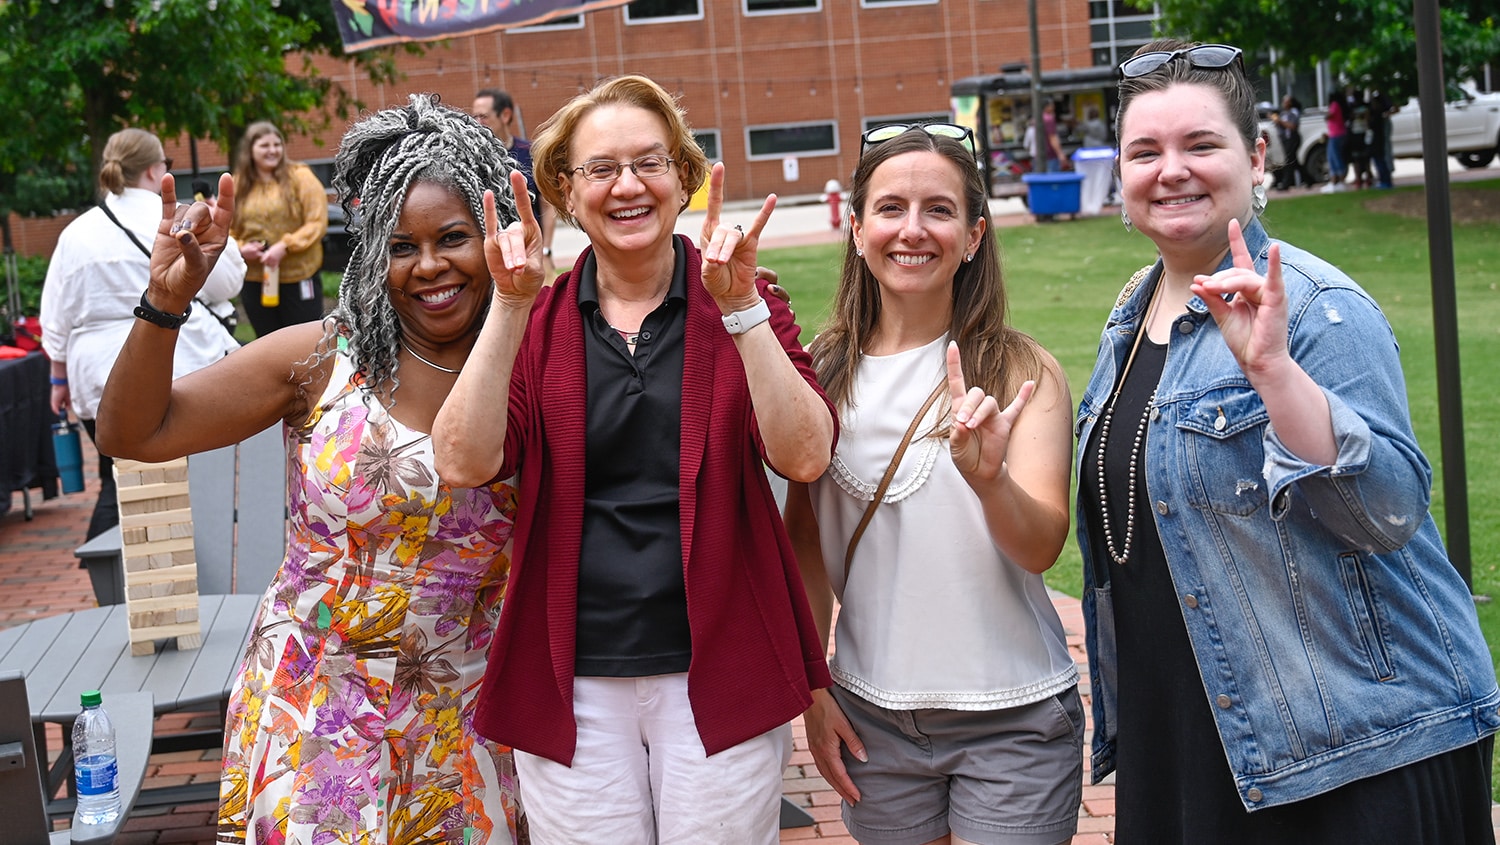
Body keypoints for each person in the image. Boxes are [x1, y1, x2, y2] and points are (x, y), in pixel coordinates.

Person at [1081, 39, 1500, 843]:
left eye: (1201, 144)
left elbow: (1385, 513)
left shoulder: (1313, 305)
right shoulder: (1131, 315)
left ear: (1257, 155)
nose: (1172, 170)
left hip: (1353, 747)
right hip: (1203, 737)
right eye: (1146, 151)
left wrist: (1273, 372)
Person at [95, 95, 530, 844]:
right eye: (399, 246)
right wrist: (165, 302)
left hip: (467, 716)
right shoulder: (323, 358)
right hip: (314, 707)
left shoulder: (540, 362)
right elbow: (133, 431)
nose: (429, 266)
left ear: (495, 236)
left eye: (453, 238)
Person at [431, 74, 838, 844]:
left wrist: (743, 308)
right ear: (565, 191)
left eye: (649, 162)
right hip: (575, 679)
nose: (628, 185)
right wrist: (509, 306)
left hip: (719, 666)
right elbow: (462, 459)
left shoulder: (747, 300)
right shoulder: (537, 319)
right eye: (600, 169)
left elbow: (806, 455)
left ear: (683, 178)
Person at [785, 123, 1082, 845]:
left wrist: (990, 483)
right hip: (873, 717)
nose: (912, 230)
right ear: (856, 229)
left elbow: (1041, 543)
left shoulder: (1022, 372)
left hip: (1013, 717)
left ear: (975, 234)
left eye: (939, 210)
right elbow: (806, 552)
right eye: (890, 208)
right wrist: (812, 692)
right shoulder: (818, 373)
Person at [40, 128, 244, 542]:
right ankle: (187, 567)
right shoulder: (177, 219)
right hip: (177, 363)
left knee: (116, 478)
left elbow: (55, 316)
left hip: (93, 373)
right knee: (184, 479)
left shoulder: (75, 232)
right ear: (156, 170)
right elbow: (226, 284)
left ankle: (111, 574)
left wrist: (58, 379)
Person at [229, 121, 329, 336]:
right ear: (250, 150)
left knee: (304, 341)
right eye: (265, 145)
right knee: (266, 340)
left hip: (299, 276)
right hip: (256, 279)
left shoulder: (300, 176)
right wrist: (241, 248)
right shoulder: (238, 184)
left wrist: (286, 245)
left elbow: (317, 222)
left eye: (277, 144)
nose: (272, 150)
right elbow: (227, 230)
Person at [474, 89, 559, 275]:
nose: (478, 123)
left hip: (530, 256)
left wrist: (545, 251)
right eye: (475, 117)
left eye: (484, 116)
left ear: (505, 115)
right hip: (490, 260)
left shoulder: (531, 153)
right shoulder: (472, 159)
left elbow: (547, 206)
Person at [1271, 94, 1303, 190]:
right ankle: (1309, 179)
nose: (1284, 103)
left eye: (1286, 101)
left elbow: (1292, 126)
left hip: (1292, 138)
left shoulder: (1294, 112)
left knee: (1289, 161)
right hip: (1286, 140)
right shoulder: (1284, 113)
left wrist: (1280, 121)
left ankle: (1286, 184)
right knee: (1293, 161)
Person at [1320, 89, 1348, 193]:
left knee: (1335, 158)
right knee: (1332, 158)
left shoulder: (1335, 104)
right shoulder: (1339, 105)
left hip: (1337, 135)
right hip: (1335, 134)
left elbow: (1329, 116)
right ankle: (1334, 182)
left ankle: (1340, 181)